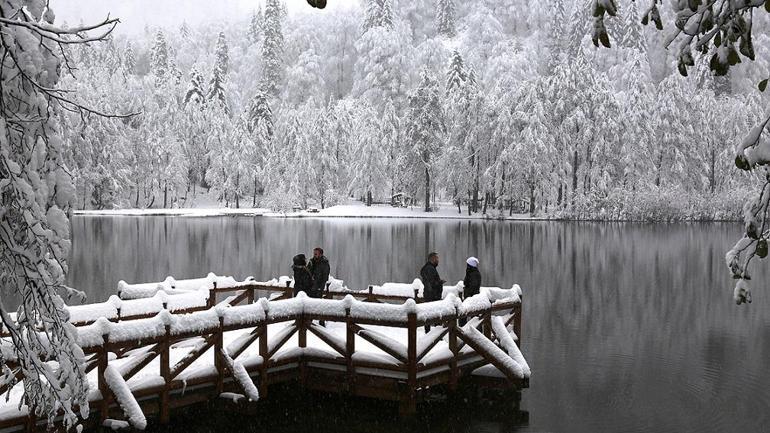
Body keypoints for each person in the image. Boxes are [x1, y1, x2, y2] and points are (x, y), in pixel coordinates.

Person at [419, 252, 445, 333]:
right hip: (433, 295)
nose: (438, 260)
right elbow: (431, 283)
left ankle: (430, 332)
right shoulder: (430, 269)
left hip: (429, 294)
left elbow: (429, 282)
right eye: (437, 259)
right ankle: (436, 334)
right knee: (435, 314)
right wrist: (440, 282)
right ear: (432, 259)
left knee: (428, 313)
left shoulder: (429, 268)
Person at [460, 257, 481, 326]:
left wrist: (468, 294)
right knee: (473, 316)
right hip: (472, 297)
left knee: (466, 315)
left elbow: (473, 286)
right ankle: (473, 329)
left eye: (467, 264)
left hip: (471, 298)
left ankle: (464, 330)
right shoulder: (472, 273)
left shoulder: (473, 274)